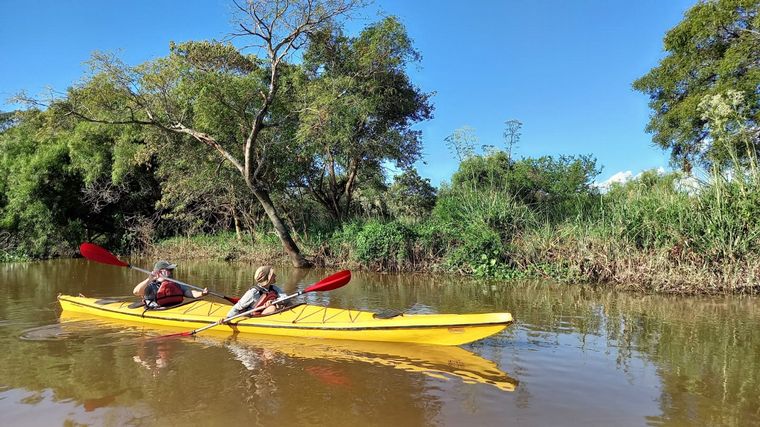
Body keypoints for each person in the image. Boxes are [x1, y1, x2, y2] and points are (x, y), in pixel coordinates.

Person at [133, 260, 208, 308]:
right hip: (156, 311)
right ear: (160, 272)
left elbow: (190, 293)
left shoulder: (175, 284)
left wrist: (202, 293)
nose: (171, 272)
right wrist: (149, 279)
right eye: (169, 270)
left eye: (171, 270)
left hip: (174, 308)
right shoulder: (151, 285)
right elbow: (136, 292)